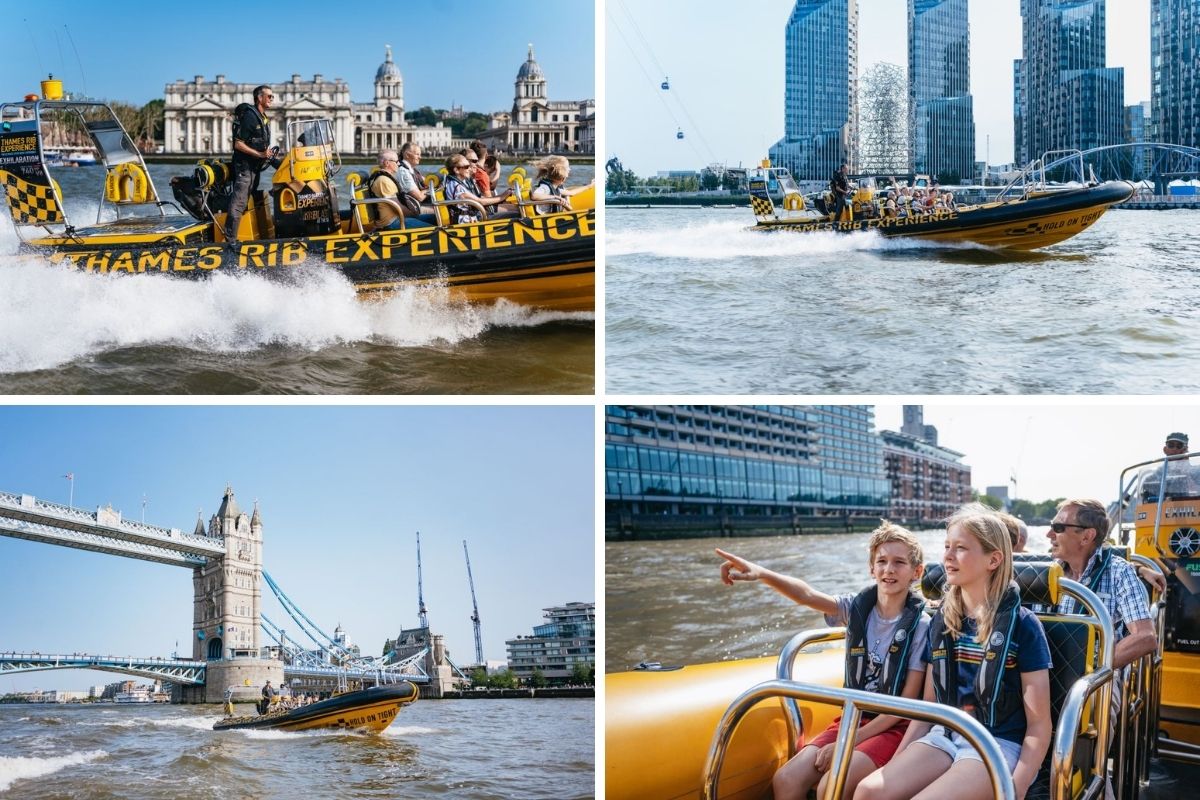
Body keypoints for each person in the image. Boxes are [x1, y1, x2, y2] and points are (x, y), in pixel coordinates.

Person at [716, 521, 929, 800]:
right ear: (871, 568)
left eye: (899, 562)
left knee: (832, 785)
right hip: (853, 717)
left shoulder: (920, 626)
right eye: (882, 561)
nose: (889, 569)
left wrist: (847, 742)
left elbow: (905, 706)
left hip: (893, 727)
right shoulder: (856, 608)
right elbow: (807, 595)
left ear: (916, 572)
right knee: (786, 778)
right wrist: (762, 574)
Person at [855, 506, 1052, 800]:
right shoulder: (942, 621)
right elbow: (929, 709)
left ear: (994, 560)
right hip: (944, 735)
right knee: (868, 791)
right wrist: (895, 763)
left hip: (996, 743)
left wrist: (1018, 784)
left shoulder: (1024, 626)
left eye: (960, 548)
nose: (947, 556)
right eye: (947, 546)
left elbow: (1039, 726)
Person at [1047, 499, 1157, 671]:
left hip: (1096, 680)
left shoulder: (1119, 571)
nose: (1049, 534)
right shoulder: (1044, 571)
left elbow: (1145, 637)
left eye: (1058, 527)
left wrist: (1093, 672)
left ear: (1087, 536)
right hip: (1042, 674)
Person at [226, 84, 276, 242]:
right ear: (259, 98)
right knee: (239, 202)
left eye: (272, 96)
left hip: (255, 167)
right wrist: (260, 154)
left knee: (252, 198)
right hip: (245, 167)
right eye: (269, 96)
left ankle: (255, 233)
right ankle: (230, 240)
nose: (272, 99)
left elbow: (259, 143)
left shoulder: (263, 118)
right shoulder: (250, 116)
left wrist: (266, 154)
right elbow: (238, 144)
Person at [443, 154, 510, 223]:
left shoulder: (454, 183)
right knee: (513, 215)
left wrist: (501, 197)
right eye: (466, 167)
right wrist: (503, 196)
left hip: (472, 217)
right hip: (467, 222)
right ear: (456, 170)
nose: (469, 169)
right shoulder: (458, 188)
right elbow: (480, 201)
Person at [1142, 432, 1200, 500]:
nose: (1174, 449)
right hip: (1164, 506)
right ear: (1165, 449)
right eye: (1171, 445)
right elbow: (1146, 486)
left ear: (1185, 449)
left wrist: (1185, 470)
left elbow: (1196, 491)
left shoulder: (1196, 471)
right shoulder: (1159, 472)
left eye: (1179, 446)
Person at [394, 142, 437, 226]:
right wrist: (431, 189)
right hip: (413, 208)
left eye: (420, 154)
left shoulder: (412, 170)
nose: (420, 157)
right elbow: (420, 197)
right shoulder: (403, 171)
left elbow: (427, 182)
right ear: (407, 155)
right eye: (417, 154)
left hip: (418, 204)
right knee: (442, 211)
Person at [363, 150, 407, 230]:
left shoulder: (385, 178)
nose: (399, 164)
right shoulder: (384, 181)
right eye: (396, 161)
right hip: (392, 223)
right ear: (387, 163)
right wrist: (417, 210)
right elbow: (398, 208)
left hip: (396, 219)